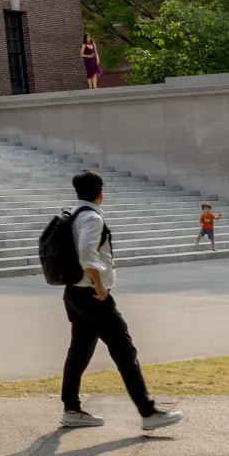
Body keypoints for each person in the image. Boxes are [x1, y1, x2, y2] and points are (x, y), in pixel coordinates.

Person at [57, 169, 184, 433]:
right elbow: (87, 253)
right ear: (100, 191)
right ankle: (148, 412)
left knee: (79, 351)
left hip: (74, 293)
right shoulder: (91, 217)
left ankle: (71, 409)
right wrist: (101, 286)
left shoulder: (73, 213)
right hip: (93, 295)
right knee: (125, 352)